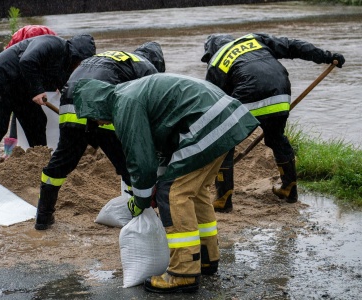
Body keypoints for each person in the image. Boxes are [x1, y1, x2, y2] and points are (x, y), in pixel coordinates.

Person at [72, 73, 259, 293]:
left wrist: (140, 200)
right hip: (226, 118)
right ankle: (207, 257)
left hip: (209, 123)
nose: (100, 124)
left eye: (94, 120)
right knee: (194, 192)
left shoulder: (124, 105)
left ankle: (183, 273)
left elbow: (141, 161)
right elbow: (161, 155)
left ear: (96, 108)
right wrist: (151, 189)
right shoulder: (129, 93)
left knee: (173, 194)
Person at [201, 33, 345, 212]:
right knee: (276, 138)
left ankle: (223, 199)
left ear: (210, 50)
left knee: (224, 144)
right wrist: (327, 56)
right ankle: (289, 189)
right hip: (281, 93)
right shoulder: (253, 39)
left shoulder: (216, 62)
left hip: (249, 95)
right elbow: (293, 45)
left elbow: (213, 101)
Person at [34, 41, 165, 230]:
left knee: (62, 162)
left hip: (71, 102)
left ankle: (43, 217)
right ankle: (138, 217)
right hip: (103, 105)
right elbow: (150, 108)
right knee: (128, 163)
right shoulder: (147, 67)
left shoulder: (114, 57)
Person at [0, 34, 95, 175]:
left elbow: (68, 91)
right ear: (75, 54)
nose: (79, 66)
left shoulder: (67, 65)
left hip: (21, 85)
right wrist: (37, 90)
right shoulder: (52, 43)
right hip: (4, 75)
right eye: (80, 62)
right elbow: (27, 61)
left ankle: (40, 164)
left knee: (37, 122)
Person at [0, 25, 58, 162]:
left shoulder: (49, 44)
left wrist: (56, 83)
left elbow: (53, 65)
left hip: (34, 70)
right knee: (17, 112)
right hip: (19, 75)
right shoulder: (19, 47)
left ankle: (19, 150)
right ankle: (9, 151)